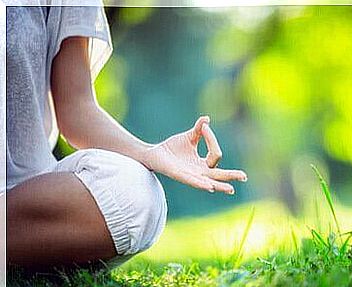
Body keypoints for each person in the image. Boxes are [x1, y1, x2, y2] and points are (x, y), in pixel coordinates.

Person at [5, 3, 247, 270]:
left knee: (138, 195)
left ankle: (23, 241)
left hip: (23, 200)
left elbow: (76, 107)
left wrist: (151, 153)